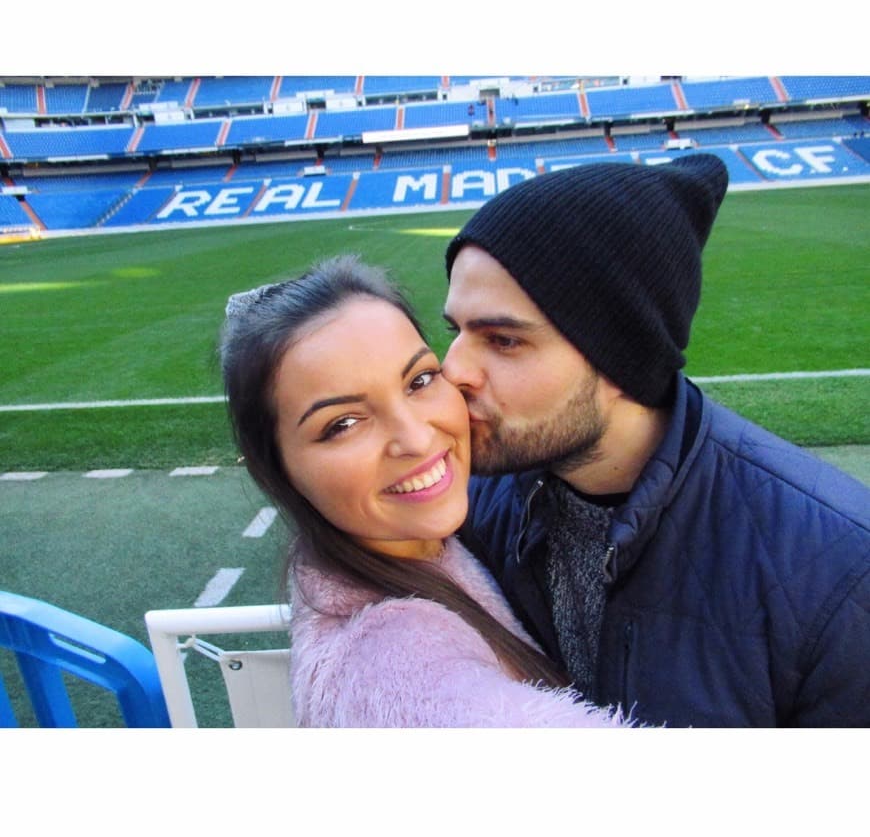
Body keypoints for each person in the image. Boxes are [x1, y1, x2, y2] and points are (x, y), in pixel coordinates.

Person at [441, 153, 870, 728]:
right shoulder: (464, 503)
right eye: (457, 331)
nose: (453, 371)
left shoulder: (834, 574)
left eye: (503, 340)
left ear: (620, 358)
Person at [219, 255, 629, 728]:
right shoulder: (393, 672)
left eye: (419, 380)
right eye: (344, 424)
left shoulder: (397, 548)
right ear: (279, 470)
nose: (416, 438)